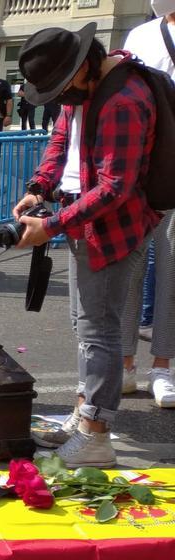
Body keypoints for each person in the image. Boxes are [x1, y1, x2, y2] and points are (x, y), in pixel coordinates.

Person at [14, 23, 160, 465]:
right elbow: (62, 138)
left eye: (61, 87)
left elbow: (116, 187)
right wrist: (39, 186)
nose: (60, 99)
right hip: (86, 221)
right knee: (86, 325)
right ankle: (84, 415)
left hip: (114, 229)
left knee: (100, 331)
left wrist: (52, 225)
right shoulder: (85, 90)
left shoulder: (122, 101)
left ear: (83, 66)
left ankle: (96, 434)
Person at [119, 0, 175, 407]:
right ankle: (123, 364)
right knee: (130, 267)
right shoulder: (140, 35)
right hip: (139, 164)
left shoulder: (140, 35)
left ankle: (162, 366)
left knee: (172, 270)